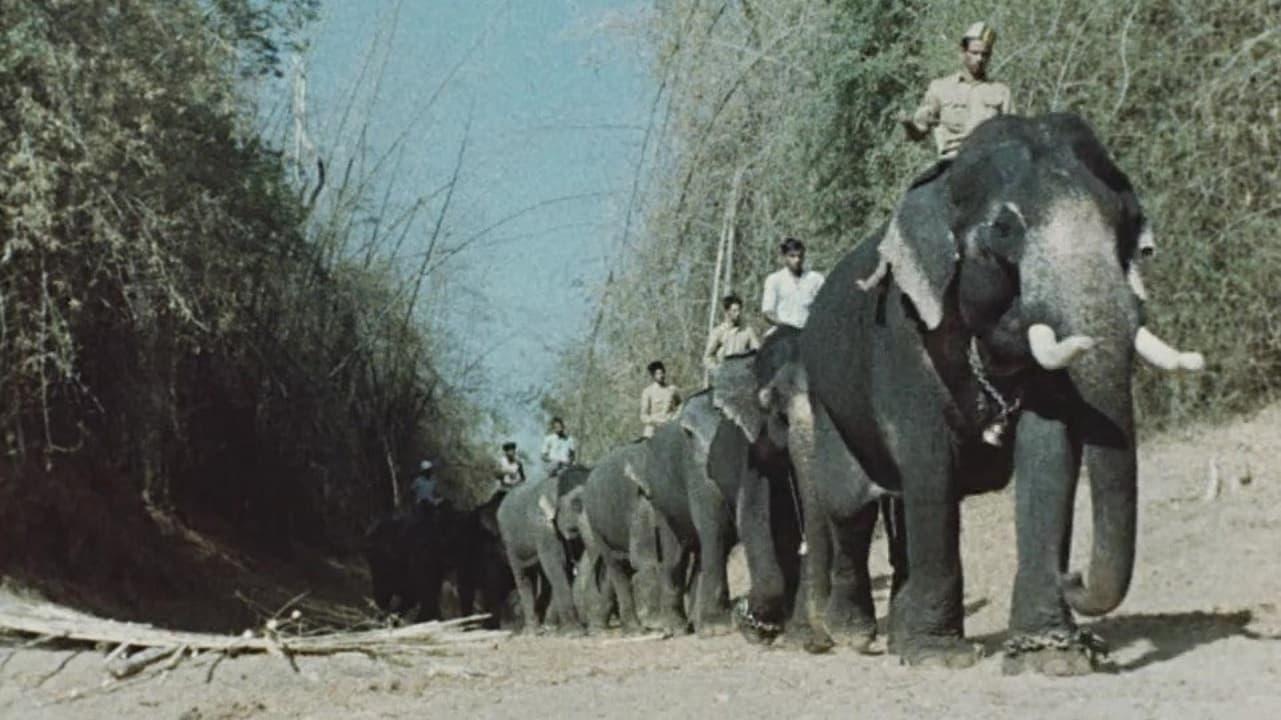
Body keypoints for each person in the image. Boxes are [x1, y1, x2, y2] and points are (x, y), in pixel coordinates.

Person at [900, 22, 1012, 160]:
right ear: (963, 52)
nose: (980, 59)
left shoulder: (1001, 92)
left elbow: (1013, 137)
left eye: (985, 54)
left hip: (988, 164)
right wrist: (908, 124)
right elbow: (919, 132)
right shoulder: (940, 88)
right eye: (975, 53)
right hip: (951, 163)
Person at [761, 237, 824, 330]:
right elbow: (768, 312)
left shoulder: (816, 279)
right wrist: (785, 327)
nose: (797, 260)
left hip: (808, 332)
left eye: (800, 256)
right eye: (792, 256)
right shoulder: (774, 280)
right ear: (784, 256)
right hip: (782, 333)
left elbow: (825, 307)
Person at [704, 294, 761, 371]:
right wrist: (717, 370)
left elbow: (758, 352)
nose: (738, 314)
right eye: (734, 311)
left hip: (742, 373)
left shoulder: (747, 331)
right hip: (724, 374)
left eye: (739, 310)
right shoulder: (718, 332)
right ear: (727, 312)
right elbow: (708, 357)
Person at [639, 361, 682, 438]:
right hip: (654, 427)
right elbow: (643, 416)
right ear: (653, 376)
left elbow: (681, 406)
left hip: (671, 424)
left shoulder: (672, 389)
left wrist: (675, 416)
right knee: (648, 440)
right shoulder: (648, 391)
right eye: (658, 374)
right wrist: (655, 421)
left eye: (662, 373)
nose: (661, 376)